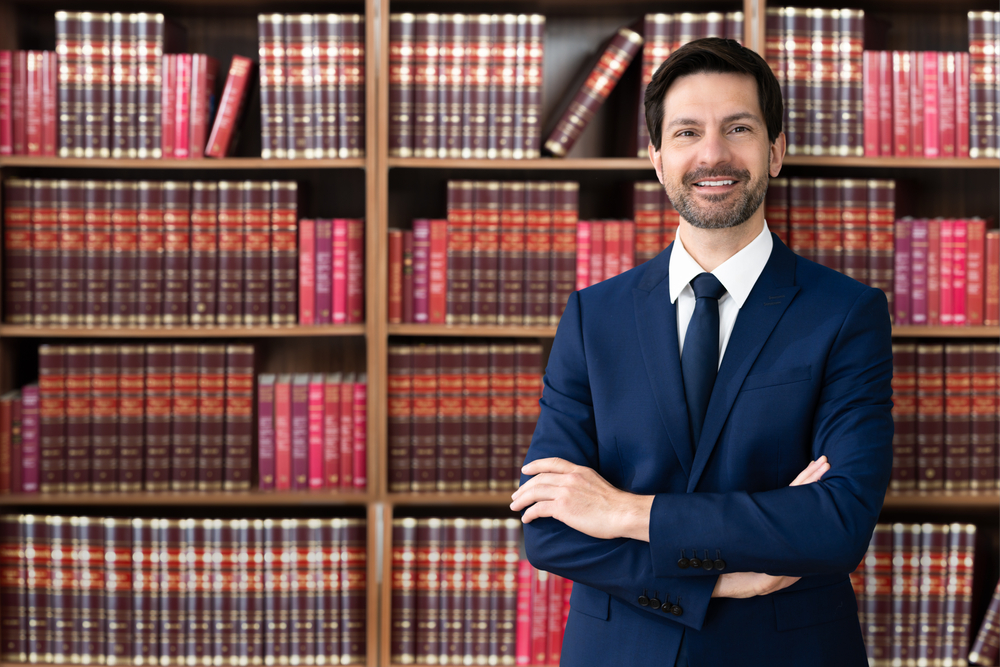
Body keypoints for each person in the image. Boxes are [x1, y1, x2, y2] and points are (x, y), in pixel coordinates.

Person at [509, 37, 893, 666]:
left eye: (737, 128)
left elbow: (838, 523)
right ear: (658, 158)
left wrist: (626, 512)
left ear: (775, 151)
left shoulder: (846, 314)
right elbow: (549, 527)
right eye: (687, 132)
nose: (713, 154)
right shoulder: (592, 316)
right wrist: (714, 580)